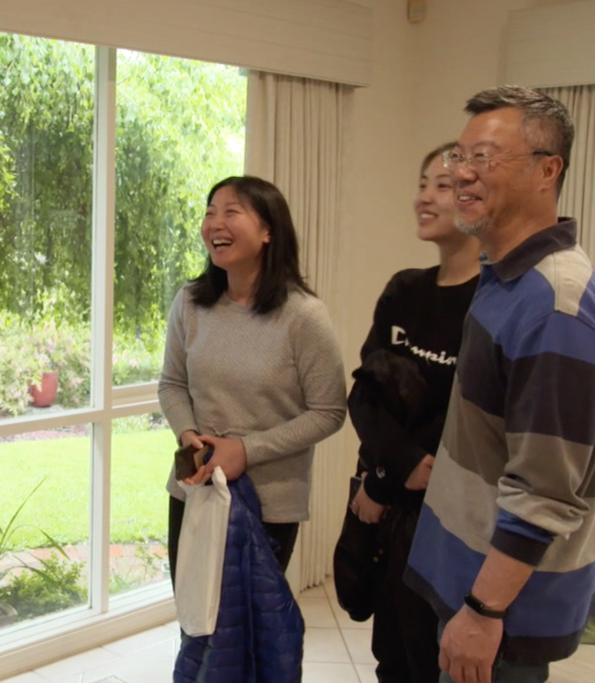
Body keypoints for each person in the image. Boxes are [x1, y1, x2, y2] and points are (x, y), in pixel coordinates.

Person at [405, 85, 595, 683]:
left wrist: (484, 612)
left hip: (502, 611)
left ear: (548, 170)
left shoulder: (555, 307)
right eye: (459, 158)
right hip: (467, 577)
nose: (461, 174)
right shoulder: (505, 274)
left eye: (483, 157)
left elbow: (546, 491)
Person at [159, 175, 347, 579]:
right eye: (210, 212)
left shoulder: (304, 316)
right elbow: (172, 383)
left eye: (231, 212)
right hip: (194, 491)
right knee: (195, 624)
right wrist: (188, 434)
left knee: (250, 634)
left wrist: (245, 450)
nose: (215, 223)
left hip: (267, 504)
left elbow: (329, 411)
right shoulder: (190, 303)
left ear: (267, 232)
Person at [347, 142, 481, 683]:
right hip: (386, 506)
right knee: (392, 658)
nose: (424, 197)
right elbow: (366, 394)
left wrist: (412, 469)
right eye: (423, 183)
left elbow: (464, 414)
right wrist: (389, 473)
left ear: (476, 198)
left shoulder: (492, 301)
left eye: (443, 186)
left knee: (434, 660)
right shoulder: (404, 290)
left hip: (449, 520)